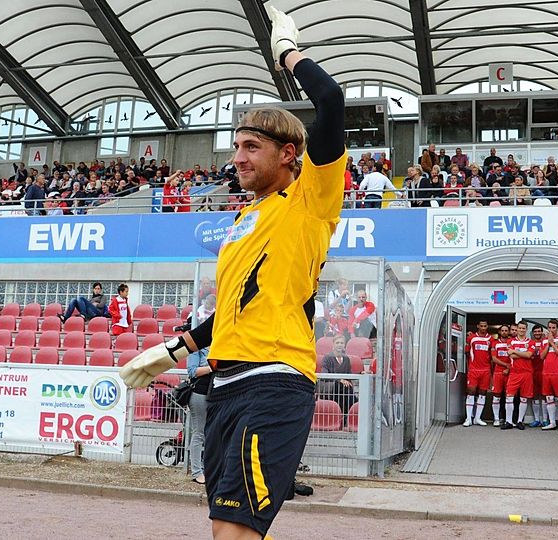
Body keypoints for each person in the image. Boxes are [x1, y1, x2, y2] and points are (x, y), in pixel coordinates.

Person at [119, 10, 347, 536]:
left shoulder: (309, 199)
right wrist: (171, 351)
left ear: (288, 154)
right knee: (229, 527)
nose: (237, 158)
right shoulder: (242, 221)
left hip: (273, 382)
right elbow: (235, 311)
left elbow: (331, 101)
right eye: (236, 147)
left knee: (234, 532)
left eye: (251, 147)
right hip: (224, 387)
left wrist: (286, 53)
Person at [187, 338, 214, 486]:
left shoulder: (219, 346)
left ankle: (208, 469)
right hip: (199, 393)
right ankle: (197, 472)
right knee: (199, 433)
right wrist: (211, 368)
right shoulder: (197, 349)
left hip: (214, 395)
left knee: (211, 434)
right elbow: (192, 371)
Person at [501, 321, 537, 430]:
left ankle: (520, 421)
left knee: (524, 399)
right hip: (514, 373)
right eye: (519, 328)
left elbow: (529, 355)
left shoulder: (531, 342)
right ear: (517, 329)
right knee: (509, 397)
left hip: (527, 373)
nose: (521, 330)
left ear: (526, 329)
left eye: (523, 328)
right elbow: (511, 355)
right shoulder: (511, 341)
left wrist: (515, 351)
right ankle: (508, 421)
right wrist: (523, 354)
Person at [538, 319, 558, 432]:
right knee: (549, 398)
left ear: (557, 328)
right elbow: (541, 356)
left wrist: (553, 344)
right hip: (546, 373)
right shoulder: (544, 340)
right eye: (549, 328)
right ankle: (552, 422)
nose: (551, 330)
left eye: (553, 328)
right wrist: (548, 344)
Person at [320, 334, 357, 426]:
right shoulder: (327, 358)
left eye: (341, 343)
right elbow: (325, 375)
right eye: (337, 343)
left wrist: (361, 373)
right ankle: (343, 420)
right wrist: (339, 380)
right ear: (333, 344)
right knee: (344, 389)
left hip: (344, 388)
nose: (339, 345)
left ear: (344, 345)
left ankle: (346, 419)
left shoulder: (346, 359)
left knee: (348, 391)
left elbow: (349, 374)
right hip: (330, 388)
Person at [463, 320, 495, 427]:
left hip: (485, 371)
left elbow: (492, 356)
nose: (483, 328)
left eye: (485, 326)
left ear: (487, 326)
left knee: (482, 394)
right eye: (481, 326)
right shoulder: (471, 338)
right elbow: (467, 353)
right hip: (473, 370)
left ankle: (477, 418)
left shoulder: (491, 339)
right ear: (478, 326)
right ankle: (468, 418)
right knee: (471, 392)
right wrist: (469, 366)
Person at [490, 325, 512, 427]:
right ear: (499, 332)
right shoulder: (495, 343)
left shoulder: (512, 342)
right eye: (502, 330)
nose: (504, 332)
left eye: (506, 330)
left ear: (508, 332)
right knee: (496, 397)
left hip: (510, 373)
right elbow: (494, 358)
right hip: (498, 373)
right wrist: (505, 365)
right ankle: (496, 419)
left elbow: (515, 358)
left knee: (509, 397)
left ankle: (508, 419)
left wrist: (509, 368)